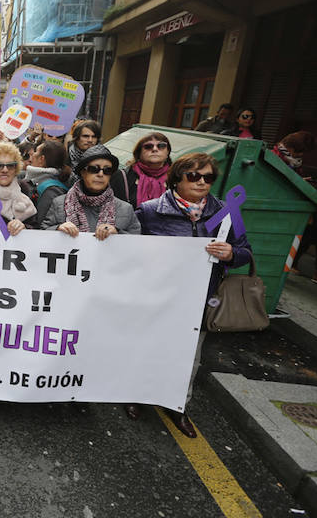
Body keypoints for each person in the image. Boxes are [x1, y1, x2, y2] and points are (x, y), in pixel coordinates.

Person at [135, 153, 252, 436]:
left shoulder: (226, 211)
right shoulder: (150, 211)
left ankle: (178, 406)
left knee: (190, 357)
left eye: (208, 177)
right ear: (177, 178)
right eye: (194, 176)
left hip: (201, 299)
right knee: (146, 349)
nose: (202, 182)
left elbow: (245, 251)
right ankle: (135, 397)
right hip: (157, 296)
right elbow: (130, 250)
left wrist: (231, 254)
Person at [41, 144, 141, 237]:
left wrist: (118, 233)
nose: (101, 174)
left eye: (107, 170)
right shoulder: (59, 203)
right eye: (94, 169)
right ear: (82, 172)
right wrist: (58, 229)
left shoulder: (125, 209)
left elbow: (136, 243)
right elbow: (42, 234)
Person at [113, 132, 172, 209]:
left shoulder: (177, 178)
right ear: (139, 153)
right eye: (148, 146)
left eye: (161, 146)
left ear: (168, 152)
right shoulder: (122, 177)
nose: (155, 149)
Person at [23, 140, 70, 225]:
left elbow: (41, 223)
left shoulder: (51, 190)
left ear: (42, 159)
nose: (32, 155)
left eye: (36, 151)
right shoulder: (37, 181)